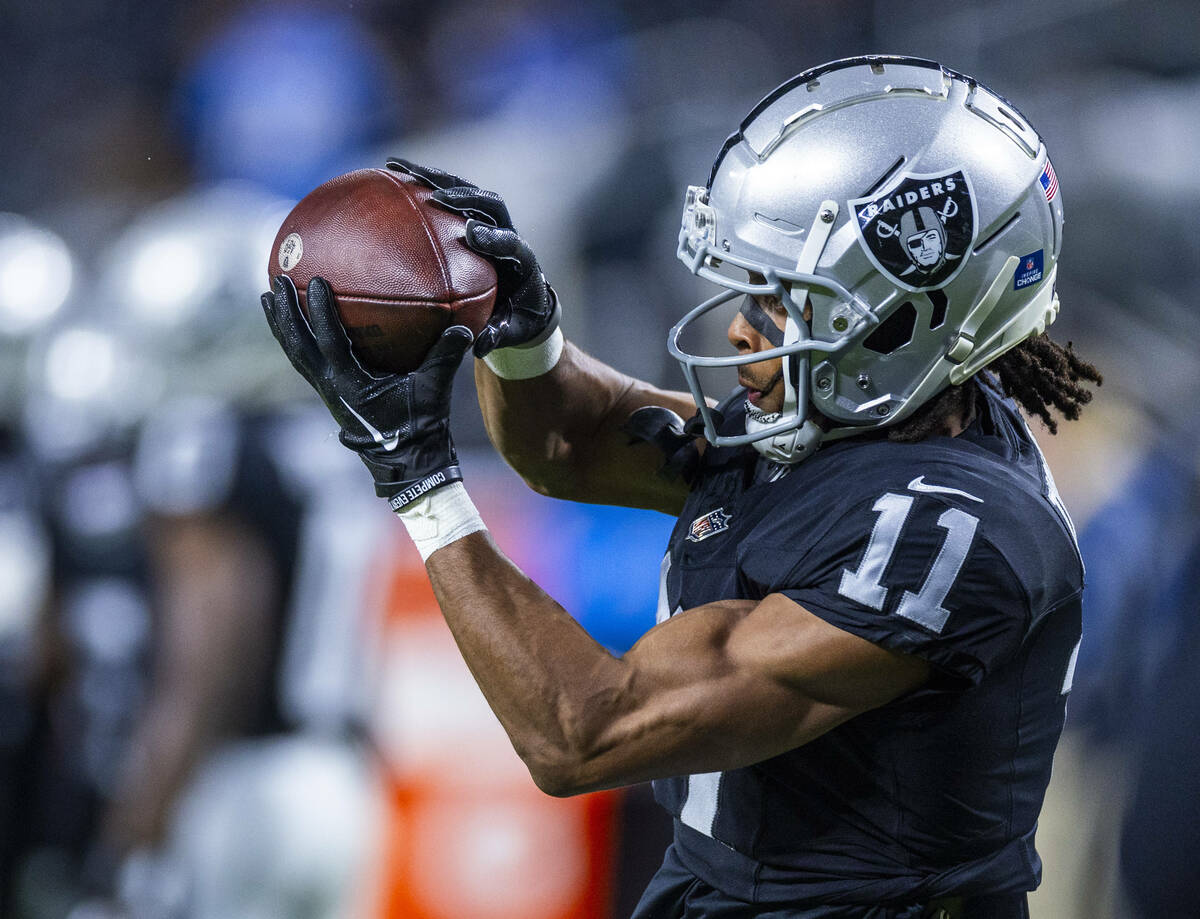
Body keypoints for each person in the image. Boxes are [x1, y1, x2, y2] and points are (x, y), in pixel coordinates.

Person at [262, 56, 1102, 919]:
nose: (740, 327)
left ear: (899, 320)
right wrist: (520, 331)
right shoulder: (864, 417)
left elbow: (583, 730)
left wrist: (418, 478)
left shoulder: (946, 533)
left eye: (780, 303)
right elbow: (571, 445)